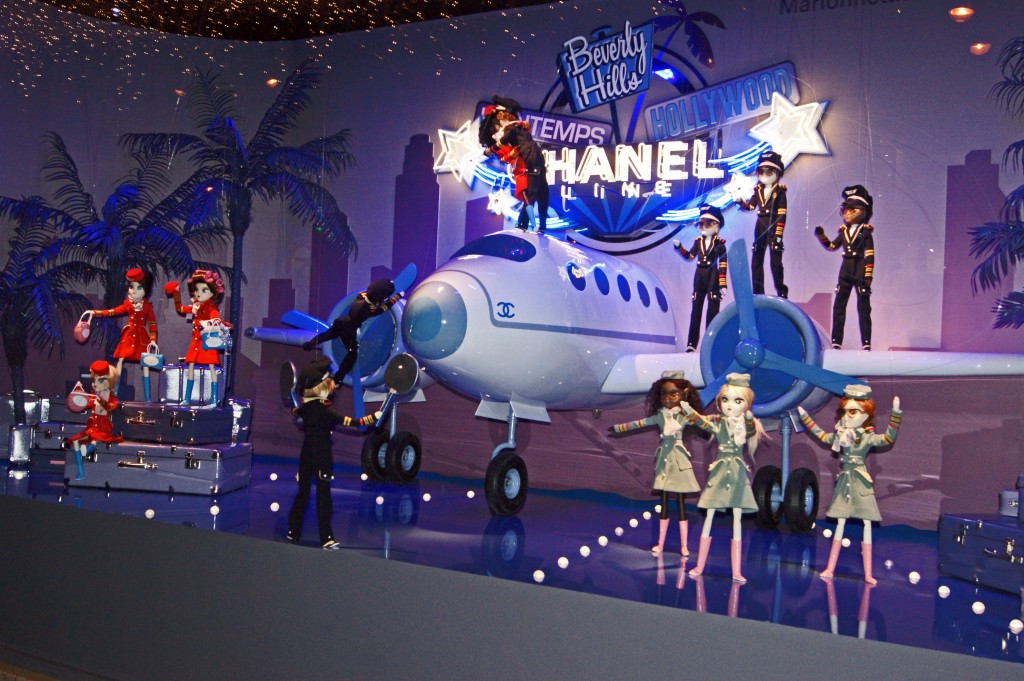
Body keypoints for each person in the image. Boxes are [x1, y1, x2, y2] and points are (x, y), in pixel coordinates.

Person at [797, 385, 902, 584]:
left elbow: (888, 438)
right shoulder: (841, 435)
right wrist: (806, 418)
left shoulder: (867, 437)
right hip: (845, 481)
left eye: (853, 412)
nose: (847, 416)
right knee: (840, 523)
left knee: (867, 523)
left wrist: (895, 414)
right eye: (845, 412)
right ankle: (830, 568)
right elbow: (822, 435)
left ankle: (868, 574)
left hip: (860, 482)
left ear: (866, 415)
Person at [678, 373, 764, 582]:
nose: (729, 405)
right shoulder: (717, 421)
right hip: (719, 471)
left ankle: (736, 570)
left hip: (736, 472)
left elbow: (750, 430)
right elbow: (701, 422)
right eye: (725, 400)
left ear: (746, 403)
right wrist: (689, 411)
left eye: (737, 401)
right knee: (708, 516)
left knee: (737, 520)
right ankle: (699, 565)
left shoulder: (745, 424)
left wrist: (748, 419)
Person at [287, 357, 381, 550]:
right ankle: (326, 538)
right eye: (329, 382)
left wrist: (296, 410)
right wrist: (374, 417)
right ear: (321, 386)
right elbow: (353, 422)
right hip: (322, 456)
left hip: (305, 456)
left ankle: (293, 532)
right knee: (324, 498)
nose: (333, 385)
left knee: (302, 495)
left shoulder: (306, 409)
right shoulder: (324, 411)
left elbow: (296, 412)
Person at [608, 370, 703, 556]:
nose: (667, 398)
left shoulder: (685, 416)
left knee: (681, 503)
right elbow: (641, 423)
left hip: (679, 460)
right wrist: (619, 428)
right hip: (664, 461)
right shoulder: (661, 415)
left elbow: (702, 423)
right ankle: (660, 543)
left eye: (673, 394)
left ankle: (684, 545)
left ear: (684, 394)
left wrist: (697, 416)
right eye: (664, 394)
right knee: (664, 503)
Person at [302, 278, 402, 383]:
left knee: (328, 334)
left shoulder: (361, 295)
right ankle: (338, 378)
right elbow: (384, 308)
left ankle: (309, 344)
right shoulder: (370, 309)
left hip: (340, 322)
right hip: (349, 329)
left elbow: (376, 299)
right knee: (353, 354)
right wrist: (396, 298)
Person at [814, 185, 875, 350]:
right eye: (845, 210)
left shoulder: (865, 232)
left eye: (852, 210)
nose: (847, 214)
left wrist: (868, 275)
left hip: (860, 270)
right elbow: (832, 246)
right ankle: (836, 341)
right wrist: (822, 236)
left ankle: (866, 343)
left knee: (863, 308)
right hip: (845, 271)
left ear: (863, 211)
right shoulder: (843, 232)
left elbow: (870, 255)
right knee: (839, 307)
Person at [478, 96, 549, 233]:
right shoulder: (512, 129)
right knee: (533, 194)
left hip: (530, 161)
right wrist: (510, 153)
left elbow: (502, 144)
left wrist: (490, 151)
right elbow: (504, 154)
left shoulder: (514, 128)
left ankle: (531, 225)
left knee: (540, 193)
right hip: (525, 165)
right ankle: (526, 224)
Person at [87, 268, 158, 401]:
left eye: (139, 287)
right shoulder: (128, 305)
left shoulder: (147, 306)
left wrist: (153, 339)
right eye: (131, 287)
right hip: (128, 336)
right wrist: (95, 313)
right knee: (120, 360)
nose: (134, 291)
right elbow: (113, 311)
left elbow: (152, 323)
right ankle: (115, 392)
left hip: (141, 338)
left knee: (145, 364)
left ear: (146, 290)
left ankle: (148, 397)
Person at [165, 269, 230, 406]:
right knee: (190, 366)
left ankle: (214, 399)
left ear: (213, 292)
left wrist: (207, 324)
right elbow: (180, 309)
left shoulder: (211, 309)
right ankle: (187, 398)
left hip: (207, 342)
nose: (199, 293)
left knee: (212, 368)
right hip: (195, 342)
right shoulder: (196, 306)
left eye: (204, 290)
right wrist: (176, 293)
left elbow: (216, 321)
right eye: (197, 290)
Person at [673, 205, 728, 353]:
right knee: (696, 311)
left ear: (716, 226)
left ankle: (710, 343)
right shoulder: (698, 242)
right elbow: (690, 256)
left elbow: (723, 264)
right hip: (699, 275)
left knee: (712, 311)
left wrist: (722, 284)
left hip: (713, 275)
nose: (702, 227)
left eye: (707, 224)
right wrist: (679, 248)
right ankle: (691, 344)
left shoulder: (720, 244)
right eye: (700, 224)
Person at [737, 150, 788, 298]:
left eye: (769, 171)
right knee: (757, 260)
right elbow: (751, 207)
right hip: (760, 225)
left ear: (777, 173)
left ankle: (781, 291)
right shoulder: (758, 190)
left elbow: (782, 214)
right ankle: (758, 293)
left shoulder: (780, 191)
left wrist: (778, 234)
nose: (764, 175)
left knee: (775, 262)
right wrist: (741, 202)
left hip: (773, 224)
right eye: (761, 171)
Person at [66, 360, 124, 480]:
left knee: (94, 441)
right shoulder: (94, 395)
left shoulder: (110, 396)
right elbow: (84, 404)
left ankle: (83, 455)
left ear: (109, 381)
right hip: (92, 427)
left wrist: (102, 402)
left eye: (100, 380)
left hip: (103, 428)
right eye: (94, 380)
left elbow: (111, 407)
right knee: (76, 442)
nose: (95, 384)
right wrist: (79, 392)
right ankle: (81, 471)